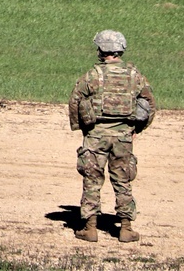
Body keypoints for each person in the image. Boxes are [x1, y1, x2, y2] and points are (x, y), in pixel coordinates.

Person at [68, 29, 156, 244]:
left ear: (100, 50)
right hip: (123, 137)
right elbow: (149, 105)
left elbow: (75, 101)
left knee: (92, 180)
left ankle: (90, 228)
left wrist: (82, 128)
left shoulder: (92, 76)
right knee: (123, 181)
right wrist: (136, 130)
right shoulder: (135, 76)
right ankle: (125, 228)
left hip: (95, 136)